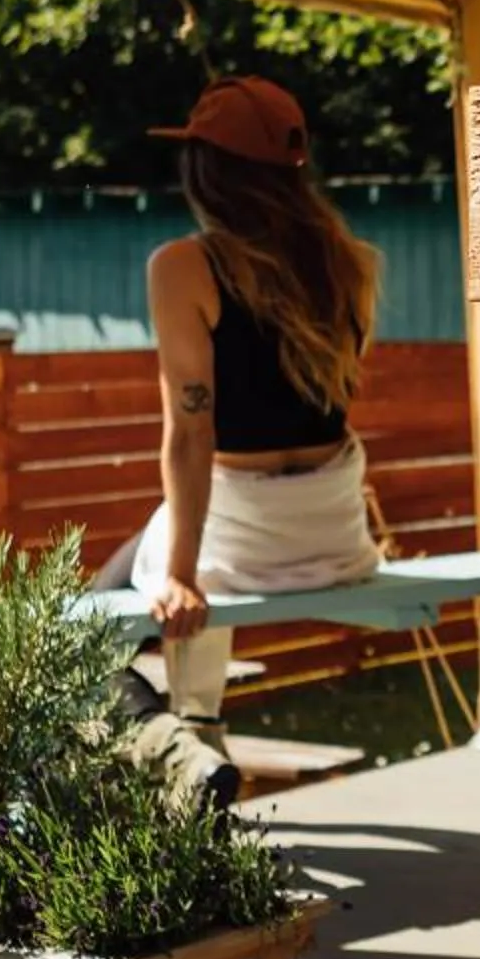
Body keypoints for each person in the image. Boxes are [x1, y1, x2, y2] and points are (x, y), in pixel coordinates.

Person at [116, 75, 385, 781]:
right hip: (335, 533)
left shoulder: (183, 267)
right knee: (148, 549)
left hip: (240, 534)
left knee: (71, 629)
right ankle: (197, 728)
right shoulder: (352, 263)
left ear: (204, 170)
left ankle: (184, 745)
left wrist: (179, 575)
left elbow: (191, 433)